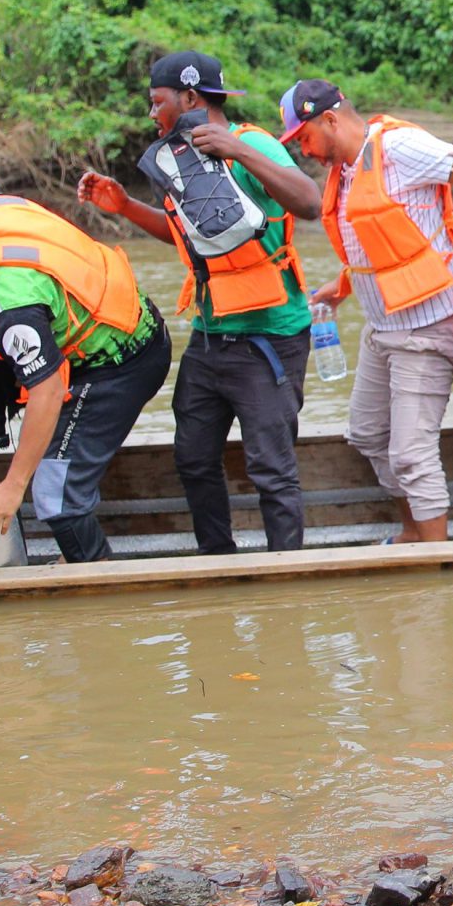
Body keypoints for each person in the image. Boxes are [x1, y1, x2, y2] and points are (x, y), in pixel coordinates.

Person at [79, 51, 323, 555]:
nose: (152, 114)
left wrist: (238, 150)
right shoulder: (178, 159)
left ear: (189, 98)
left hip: (269, 337)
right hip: (210, 338)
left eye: (157, 102)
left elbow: (309, 202)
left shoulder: (252, 143)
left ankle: (287, 580)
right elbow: (190, 239)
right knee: (192, 458)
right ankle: (219, 560)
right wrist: (123, 205)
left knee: (271, 470)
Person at [0, 193, 169, 562]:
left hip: (119, 364)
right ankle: (76, 558)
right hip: (132, 319)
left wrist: (12, 486)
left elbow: (48, 391)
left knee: (57, 498)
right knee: (53, 473)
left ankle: (95, 579)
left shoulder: (11, 306)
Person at [280, 79, 453, 545]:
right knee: (368, 434)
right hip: (383, 327)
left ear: (330, 120)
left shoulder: (398, 146)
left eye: (304, 138)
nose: (304, 151)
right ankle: (414, 533)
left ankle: (437, 561)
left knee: (411, 453)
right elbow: (381, 241)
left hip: (428, 328)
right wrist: (344, 283)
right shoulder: (348, 168)